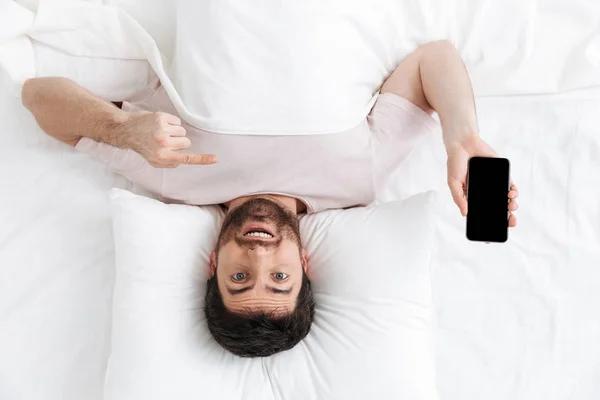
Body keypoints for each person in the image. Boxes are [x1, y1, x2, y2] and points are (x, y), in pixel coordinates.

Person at [22, 40, 519, 357]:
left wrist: (123, 128)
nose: (259, 255)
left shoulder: (173, 176)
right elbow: (434, 57)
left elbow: (38, 96)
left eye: (239, 278)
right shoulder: (357, 181)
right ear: (305, 263)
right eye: (279, 279)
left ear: (212, 263)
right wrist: (462, 139)